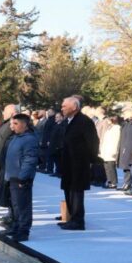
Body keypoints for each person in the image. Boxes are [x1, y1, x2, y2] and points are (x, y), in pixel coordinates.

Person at [58, 96, 99, 231]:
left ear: (74, 107)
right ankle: (71, 218)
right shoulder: (68, 121)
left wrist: (90, 160)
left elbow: (93, 142)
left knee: (76, 193)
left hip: (79, 164)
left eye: (64, 106)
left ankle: (78, 221)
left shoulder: (84, 121)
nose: (62, 108)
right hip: (67, 163)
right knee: (68, 191)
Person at [2, 113, 39, 241]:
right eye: (11, 124)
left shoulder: (29, 139)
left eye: (15, 124)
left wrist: (23, 177)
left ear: (24, 125)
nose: (12, 127)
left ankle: (23, 230)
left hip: (21, 178)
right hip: (12, 176)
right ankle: (16, 226)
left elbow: (30, 160)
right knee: (15, 205)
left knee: (23, 205)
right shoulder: (16, 137)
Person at [99, 115, 121, 189]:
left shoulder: (117, 128)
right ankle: (109, 181)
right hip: (106, 150)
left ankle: (114, 182)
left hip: (111, 150)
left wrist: (115, 151)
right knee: (107, 167)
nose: (107, 122)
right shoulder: (109, 128)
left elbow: (116, 140)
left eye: (109, 120)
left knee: (111, 167)